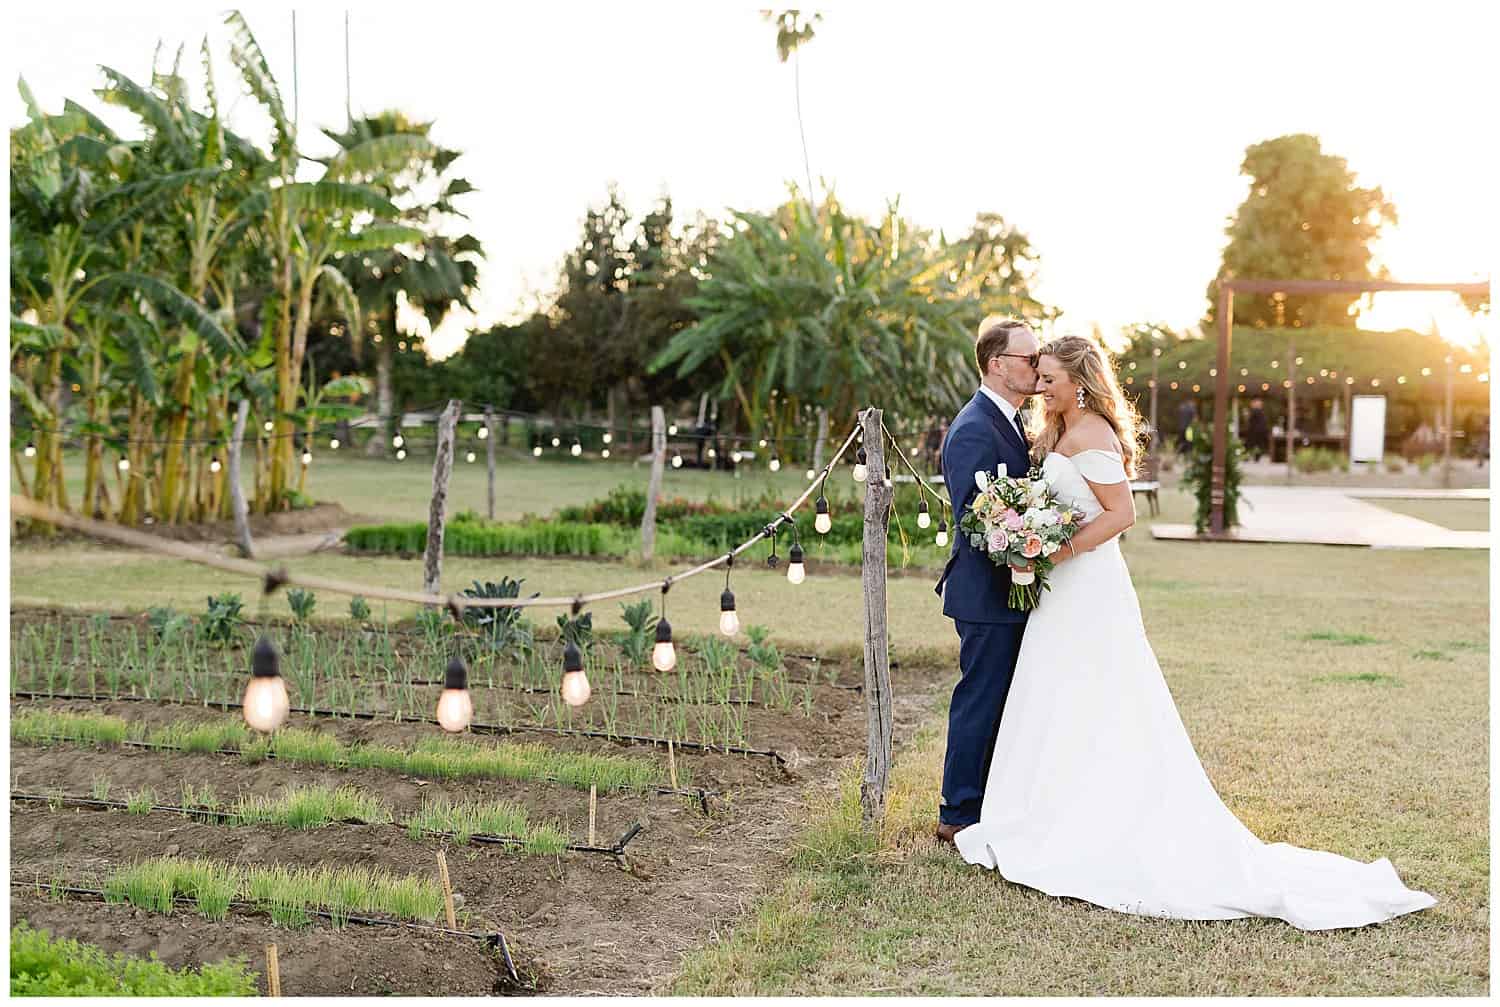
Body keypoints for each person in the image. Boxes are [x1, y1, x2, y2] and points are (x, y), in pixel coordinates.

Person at [949, 334, 1436, 930]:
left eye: (1050, 377)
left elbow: (1121, 514)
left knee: (1099, 696)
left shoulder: (1094, 433)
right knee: (1054, 698)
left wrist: (1056, 551)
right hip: (1058, 593)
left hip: (1086, 587)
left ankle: (1096, 819)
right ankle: (1043, 807)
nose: (1042, 385)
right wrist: (1035, 541)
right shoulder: (1054, 431)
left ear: (1079, 380)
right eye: (1038, 374)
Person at [932, 316, 1039, 845]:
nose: (1038, 367)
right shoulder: (974, 427)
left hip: (1012, 590)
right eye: (1030, 358)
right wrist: (1031, 546)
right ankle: (958, 812)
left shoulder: (1015, 421)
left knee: (1004, 700)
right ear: (998, 365)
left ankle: (990, 800)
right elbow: (975, 518)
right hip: (987, 593)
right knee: (980, 699)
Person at [1246, 398, 1270, 462]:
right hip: (1258, 432)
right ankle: (1256, 458)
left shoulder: (1255, 412)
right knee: (1258, 445)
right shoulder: (1259, 412)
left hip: (1255, 432)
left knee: (1252, 445)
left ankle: (1251, 457)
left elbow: (1251, 422)